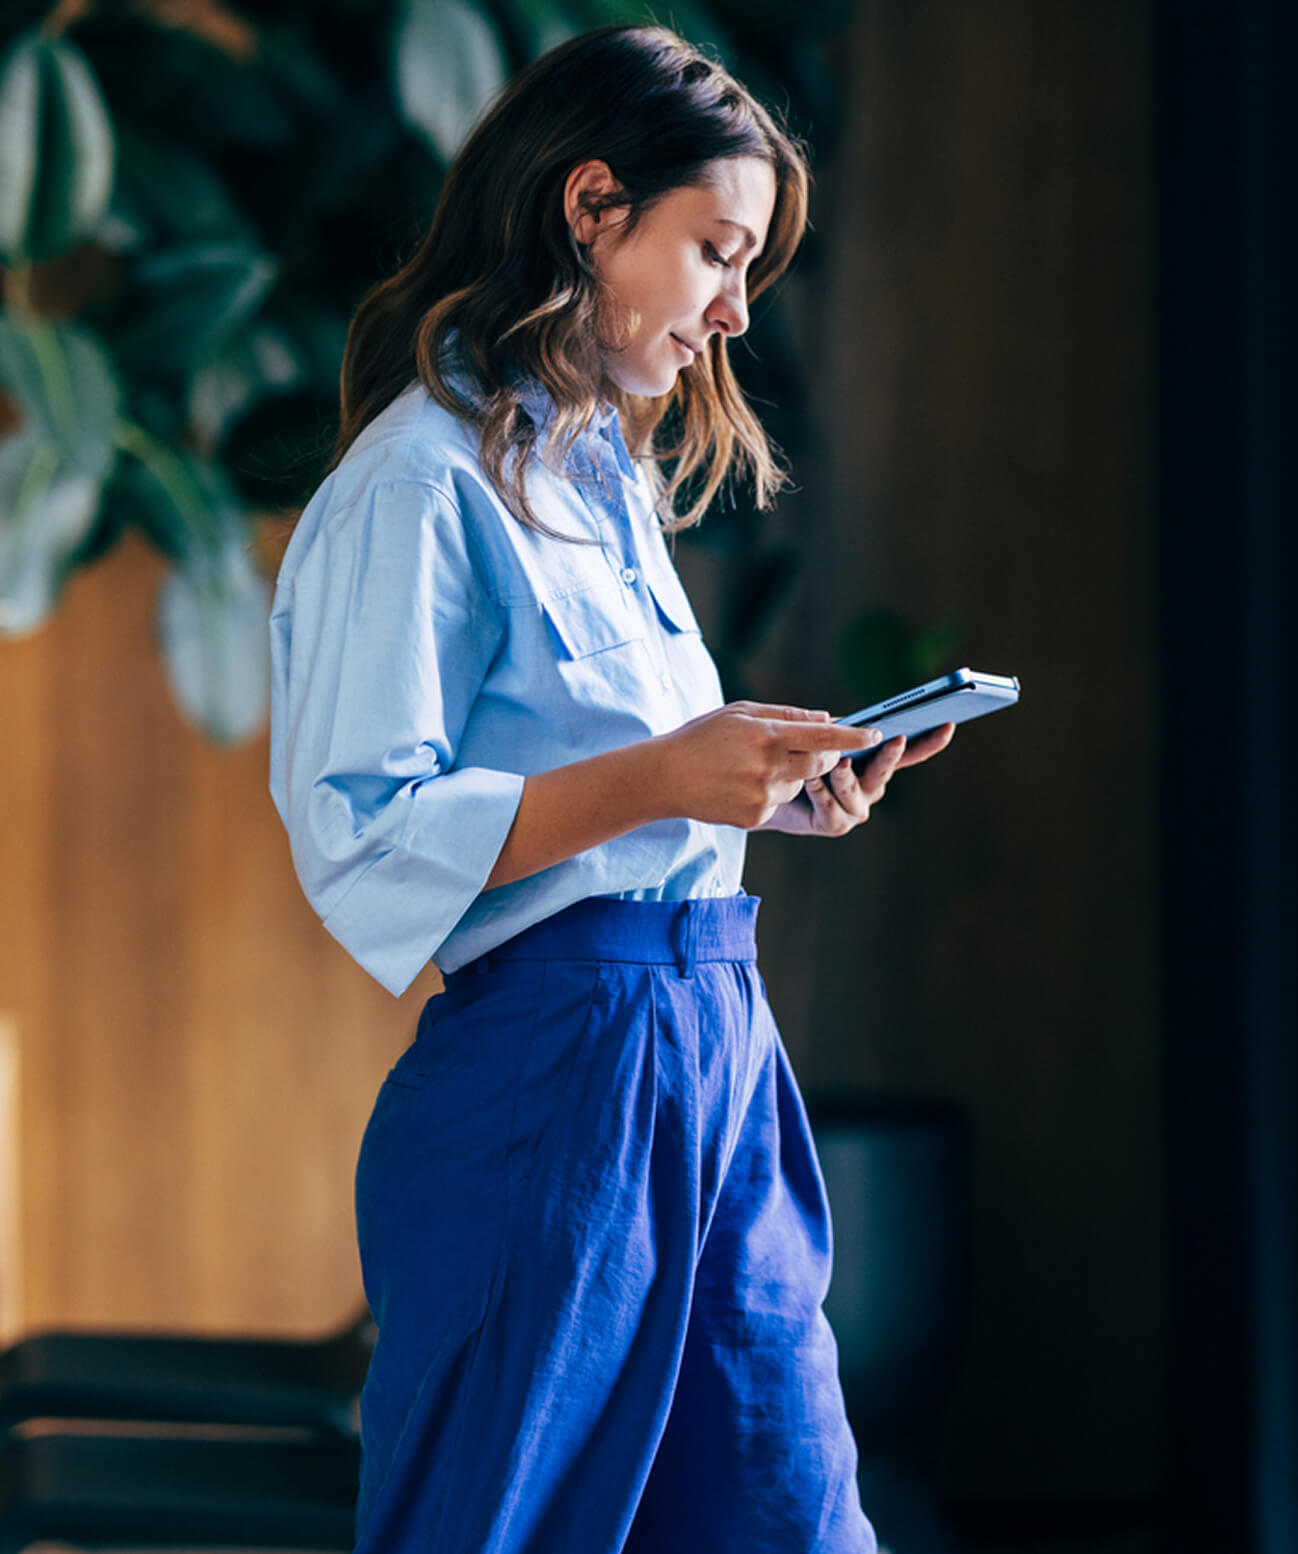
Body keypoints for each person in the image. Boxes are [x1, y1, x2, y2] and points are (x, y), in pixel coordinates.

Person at [269, 23, 953, 1554]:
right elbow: (361, 826)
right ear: (591, 208)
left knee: (792, 1515)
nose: (728, 311)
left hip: (714, 1049)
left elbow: (602, 794)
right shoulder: (416, 482)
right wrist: (665, 772)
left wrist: (760, 794)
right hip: (555, 1079)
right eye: (716, 252)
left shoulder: (597, 478)